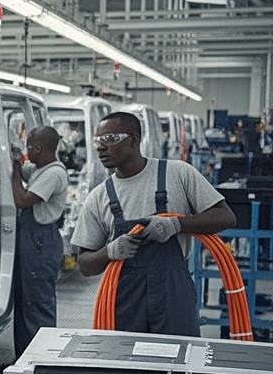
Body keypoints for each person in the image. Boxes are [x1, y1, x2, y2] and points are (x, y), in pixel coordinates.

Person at [72, 111, 235, 336]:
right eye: (97, 140)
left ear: (134, 140)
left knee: (179, 363)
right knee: (125, 365)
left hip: (173, 294)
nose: (100, 147)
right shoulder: (99, 197)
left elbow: (225, 216)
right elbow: (85, 264)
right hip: (124, 300)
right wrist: (109, 251)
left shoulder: (177, 174)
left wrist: (177, 225)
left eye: (109, 139)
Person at [0, 126, 71, 371]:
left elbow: (23, 199)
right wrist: (11, 159)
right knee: (24, 302)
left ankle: (43, 364)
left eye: (29, 147)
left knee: (38, 303)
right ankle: (24, 360)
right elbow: (19, 170)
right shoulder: (41, 170)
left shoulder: (54, 174)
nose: (27, 152)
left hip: (40, 241)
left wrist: (17, 170)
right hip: (31, 239)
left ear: (38, 148)